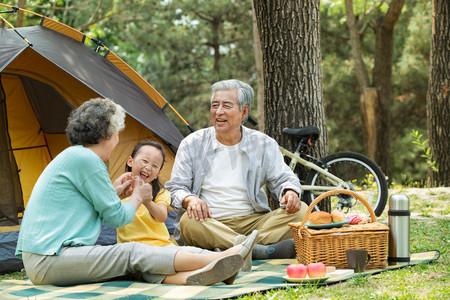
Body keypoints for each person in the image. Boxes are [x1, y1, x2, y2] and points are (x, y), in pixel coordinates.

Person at [15, 97, 256, 286]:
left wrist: (114, 191)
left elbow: (84, 207)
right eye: (118, 131)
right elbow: (117, 217)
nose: (118, 138)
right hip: (49, 259)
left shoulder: (76, 156)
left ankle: (203, 273)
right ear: (108, 133)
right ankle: (224, 258)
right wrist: (137, 198)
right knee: (131, 252)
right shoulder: (87, 159)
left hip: (45, 258)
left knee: (133, 262)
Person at [165, 79, 308, 264]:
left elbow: (284, 178)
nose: (218, 112)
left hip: (255, 222)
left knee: (301, 211)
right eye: (215, 105)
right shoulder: (192, 143)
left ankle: (235, 249)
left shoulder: (263, 144)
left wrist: (290, 191)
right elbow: (175, 188)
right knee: (188, 222)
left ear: (244, 112)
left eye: (226, 105)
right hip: (210, 222)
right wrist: (190, 199)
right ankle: (256, 249)